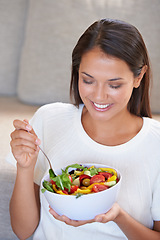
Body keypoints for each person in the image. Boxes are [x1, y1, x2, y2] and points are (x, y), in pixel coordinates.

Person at [8, 18, 160, 240]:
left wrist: (119, 217)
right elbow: (22, 232)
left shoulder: (156, 143)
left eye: (114, 85)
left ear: (139, 77)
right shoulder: (49, 119)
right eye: (88, 80)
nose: (98, 96)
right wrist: (25, 168)